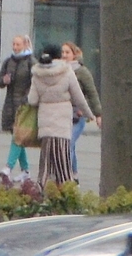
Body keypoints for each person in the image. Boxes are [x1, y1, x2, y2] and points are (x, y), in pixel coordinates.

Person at [28, 42, 94, 187]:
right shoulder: (67, 71)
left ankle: (41, 190)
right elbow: (79, 97)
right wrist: (90, 114)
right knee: (63, 163)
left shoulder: (37, 74)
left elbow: (32, 100)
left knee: (45, 163)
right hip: (62, 124)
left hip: (45, 124)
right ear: (59, 56)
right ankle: (67, 193)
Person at [0, 33, 34, 172]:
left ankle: (9, 166)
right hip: (10, 104)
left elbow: (34, 83)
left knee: (17, 136)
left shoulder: (31, 61)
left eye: (18, 44)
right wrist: (3, 81)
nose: (15, 47)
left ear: (25, 45)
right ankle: (25, 170)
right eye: (13, 44)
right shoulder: (8, 62)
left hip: (24, 105)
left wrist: (27, 99)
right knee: (17, 137)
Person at [61, 40, 100, 145]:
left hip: (77, 114)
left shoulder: (82, 71)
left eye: (67, 52)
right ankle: (70, 162)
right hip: (62, 113)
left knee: (68, 144)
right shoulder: (58, 70)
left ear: (74, 54)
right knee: (68, 147)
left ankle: (67, 162)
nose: (64, 55)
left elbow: (92, 93)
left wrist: (98, 114)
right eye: (62, 52)